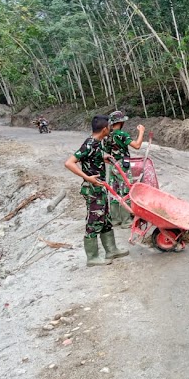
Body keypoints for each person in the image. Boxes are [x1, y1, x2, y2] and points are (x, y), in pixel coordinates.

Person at [64, 114, 129, 267]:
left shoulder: (97, 143)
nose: (111, 129)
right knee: (94, 222)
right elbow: (69, 163)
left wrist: (104, 156)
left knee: (105, 220)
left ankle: (111, 250)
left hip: (101, 188)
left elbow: (94, 155)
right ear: (105, 129)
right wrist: (87, 177)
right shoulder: (90, 143)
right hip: (93, 189)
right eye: (110, 127)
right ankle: (92, 257)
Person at [103, 110, 145, 228]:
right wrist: (141, 132)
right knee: (126, 191)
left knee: (114, 192)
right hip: (122, 165)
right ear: (121, 122)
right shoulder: (121, 134)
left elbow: (106, 152)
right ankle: (126, 221)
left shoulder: (107, 135)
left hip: (112, 165)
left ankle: (115, 219)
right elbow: (137, 146)